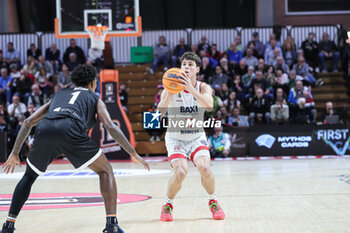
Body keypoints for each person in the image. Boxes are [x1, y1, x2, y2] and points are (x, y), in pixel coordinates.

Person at [1, 64, 149, 233]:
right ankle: (111, 225)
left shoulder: (58, 95)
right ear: (93, 83)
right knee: (105, 171)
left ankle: (8, 225)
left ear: (73, 82)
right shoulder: (95, 99)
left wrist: (14, 153)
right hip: (71, 129)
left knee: (29, 176)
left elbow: (28, 122)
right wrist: (133, 152)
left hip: (45, 129)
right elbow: (111, 126)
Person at [157, 52, 225, 221]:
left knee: (204, 168)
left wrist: (191, 89)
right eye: (184, 64)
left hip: (196, 136)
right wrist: (169, 98)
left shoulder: (203, 87)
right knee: (180, 172)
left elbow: (209, 106)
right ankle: (167, 205)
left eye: (190, 65)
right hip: (175, 137)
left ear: (197, 69)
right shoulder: (170, 86)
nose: (186, 67)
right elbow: (157, 116)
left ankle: (213, 201)